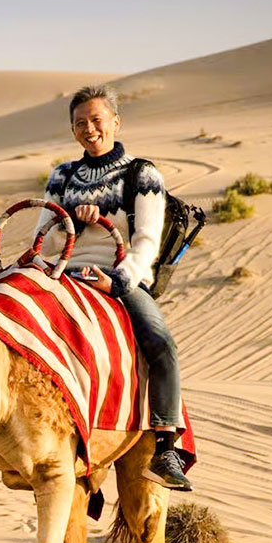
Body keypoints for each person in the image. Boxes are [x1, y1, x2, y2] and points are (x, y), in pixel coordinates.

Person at [36, 84, 191, 490]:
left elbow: (146, 243)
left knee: (160, 342)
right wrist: (71, 218)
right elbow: (45, 239)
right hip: (63, 275)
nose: (89, 129)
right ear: (72, 131)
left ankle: (165, 446)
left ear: (115, 122)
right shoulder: (61, 176)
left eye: (96, 120)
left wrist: (117, 280)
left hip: (120, 276)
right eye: (80, 123)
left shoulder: (142, 174)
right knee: (0, 316)